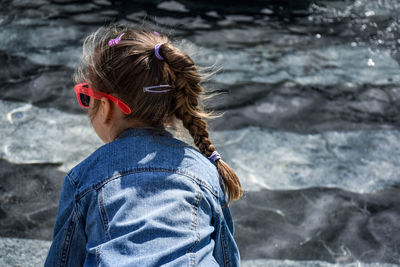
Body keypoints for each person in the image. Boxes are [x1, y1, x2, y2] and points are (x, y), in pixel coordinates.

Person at [45, 25, 243, 267]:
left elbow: (63, 261)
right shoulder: (205, 172)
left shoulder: (84, 178)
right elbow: (226, 259)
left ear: (106, 107)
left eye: (86, 96)